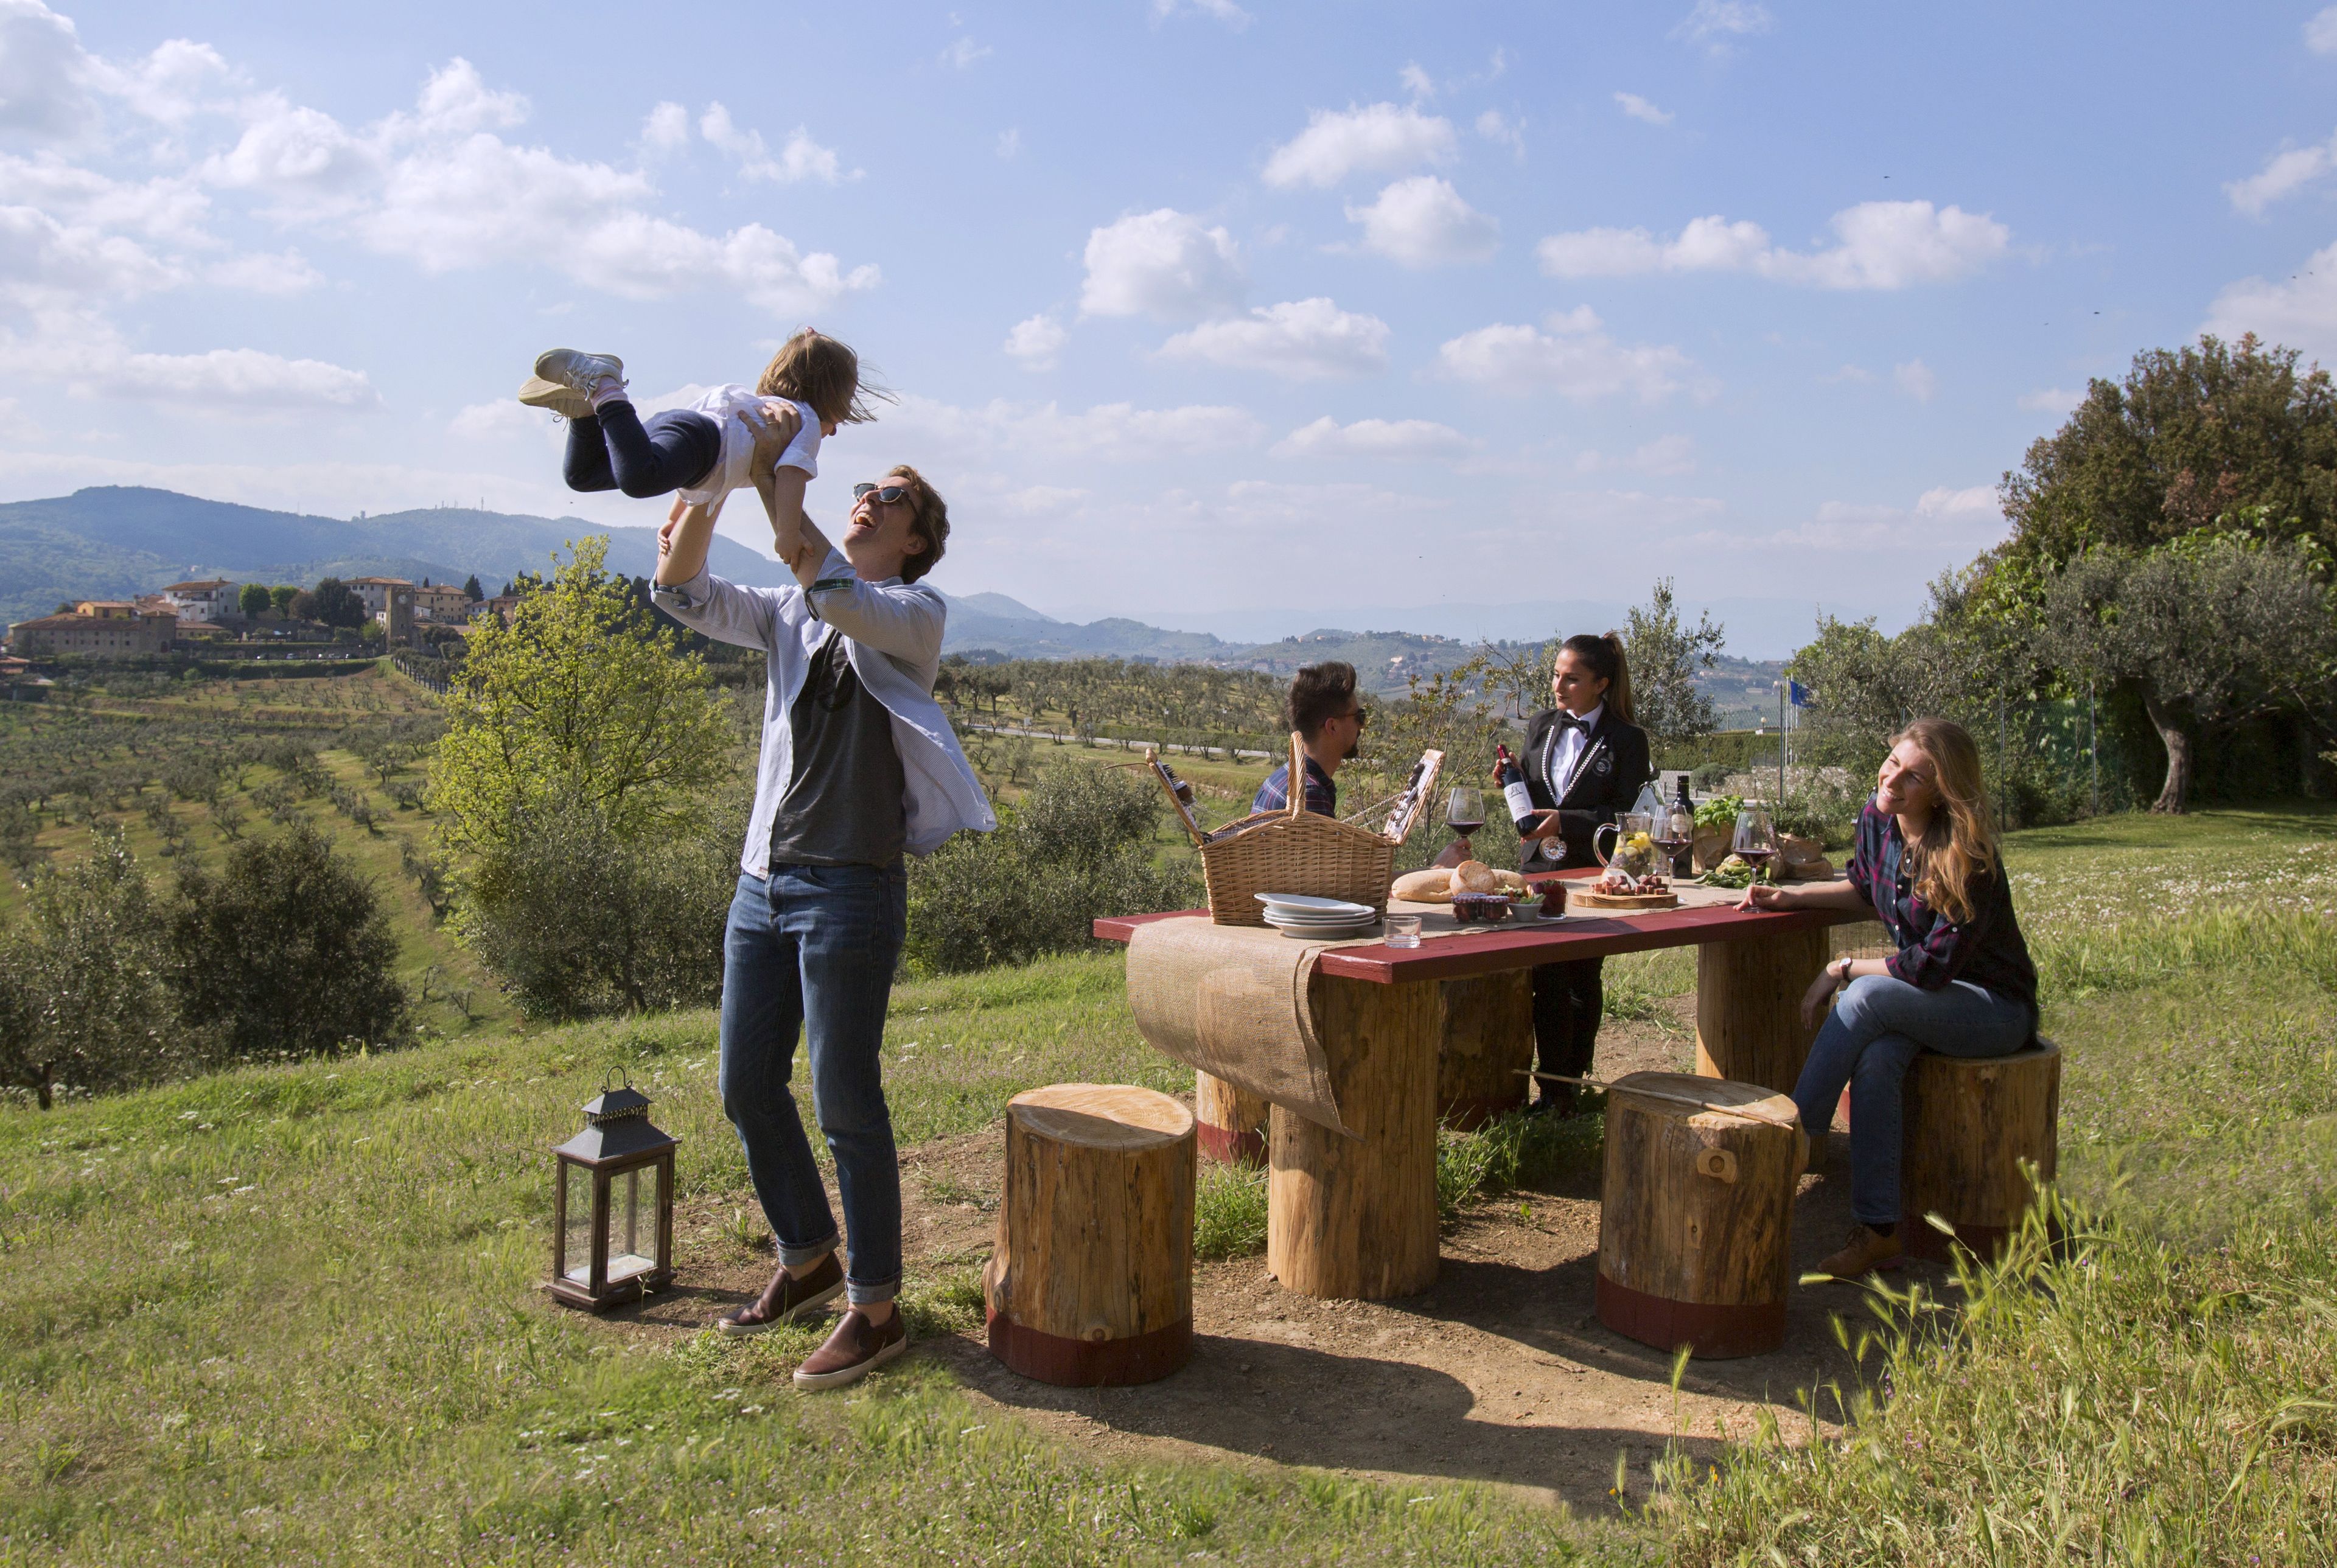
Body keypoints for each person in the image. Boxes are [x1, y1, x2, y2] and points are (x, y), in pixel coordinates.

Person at [649, 406, 994, 1389]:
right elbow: (683, 591)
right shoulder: (791, 608)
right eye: (861, 490)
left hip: (850, 887)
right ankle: (807, 1258)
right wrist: (710, 493)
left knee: (846, 1097)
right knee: (745, 1084)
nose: (864, 501)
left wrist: (779, 456)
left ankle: (875, 1308)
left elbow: (821, 574)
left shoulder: (912, 617)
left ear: (915, 538)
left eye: (883, 496)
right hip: (765, 883)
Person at [1741, 718, 2038, 1280]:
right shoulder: (1877, 820)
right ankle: (1878, 1232)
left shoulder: (1967, 855)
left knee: (1865, 994)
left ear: (1943, 790)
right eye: (1894, 762)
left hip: (1993, 1009)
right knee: (1877, 1060)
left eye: (1914, 777)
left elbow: (1927, 966)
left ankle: (1794, 1139)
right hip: (1928, 999)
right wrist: (1790, 896)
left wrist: (1842, 968)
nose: (1893, 780)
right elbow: (1862, 886)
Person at [521, 329, 881, 523]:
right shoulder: (801, 421)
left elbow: (698, 482)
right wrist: (786, 534)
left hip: (686, 435)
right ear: (828, 401)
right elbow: (790, 481)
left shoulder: (768, 410)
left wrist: (674, 519)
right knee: (639, 480)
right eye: (838, 419)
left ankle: (586, 411)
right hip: (699, 442)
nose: (833, 431)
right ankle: (604, 386)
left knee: (583, 477)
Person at [1514, 633, 1651, 1112]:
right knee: (1543, 978)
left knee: (1580, 976)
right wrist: (1513, 784)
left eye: (1571, 678)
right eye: (1556, 674)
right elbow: (1533, 796)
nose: (1558, 685)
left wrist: (1567, 821)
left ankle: (1566, 1087)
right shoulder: (1540, 725)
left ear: (1602, 683)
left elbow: (1627, 816)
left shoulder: (1628, 740)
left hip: (1591, 875)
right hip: (1536, 875)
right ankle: (1553, 1092)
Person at [1249, 661, 1367, 816]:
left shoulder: (1280, 778)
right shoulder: (1309, 796)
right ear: (1332, 727)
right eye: (1359, 716)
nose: (1362, 725)